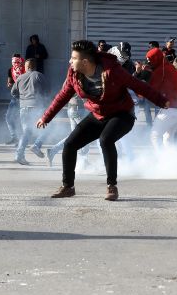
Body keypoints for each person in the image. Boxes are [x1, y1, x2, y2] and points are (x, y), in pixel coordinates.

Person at [37, 40, 169, 201]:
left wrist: (162, 101)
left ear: (85, 62)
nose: (70, 61)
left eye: (74, 58)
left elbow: (138, 86)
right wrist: (46, 117)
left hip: (122, 114)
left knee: (105, 140)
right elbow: (63, 95)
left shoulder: (112, 70)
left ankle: (112, 186)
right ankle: (68, 187)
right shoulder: (74, 73)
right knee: (70, 144)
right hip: (98, 114)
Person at [146, 47, 177, 149]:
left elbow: (149, 90)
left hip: (171, 109)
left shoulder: (160, 71)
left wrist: (144, 74)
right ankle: (171, 161)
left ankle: (162, 162)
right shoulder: (169, 66)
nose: (149, 63)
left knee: (155, 136)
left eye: (150, 60)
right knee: (168, 137)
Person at [12, 58, 49, 165]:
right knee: (47, 128)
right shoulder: (38, 75)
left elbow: (13, 92)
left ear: (26, 67)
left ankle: (19, 155)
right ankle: (37, 146)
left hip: (23, 108)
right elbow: (47, 90)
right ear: (35, 66)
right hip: (37, 106)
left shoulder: (20, 78)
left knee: (26, 132)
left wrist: (22, 99)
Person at [5, 54, 25, 145]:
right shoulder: (10, 70)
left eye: (17, 62)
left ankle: (22, 139)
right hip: (15, 96)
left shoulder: (25, 69)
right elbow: (9, 82)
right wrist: (9, 84)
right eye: (14, 62)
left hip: (24, 97)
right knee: (9, 117)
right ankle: (14, 137)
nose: (15, 64)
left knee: (21, 119)